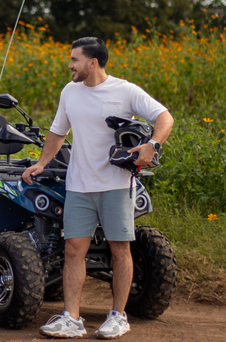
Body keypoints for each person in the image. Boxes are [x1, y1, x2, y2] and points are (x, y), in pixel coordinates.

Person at [22, 37, 174, 340]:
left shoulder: (125, 90)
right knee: (73, 250)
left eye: (74, 60)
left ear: (92, 62)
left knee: (120, 249)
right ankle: (72, 318)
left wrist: (153, 144)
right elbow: (58, 131)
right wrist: (41, 163)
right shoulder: (70, 92)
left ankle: (118, 316)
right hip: (79, 184)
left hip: (116, 185)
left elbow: (165, 117)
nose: (70, 65)